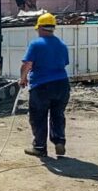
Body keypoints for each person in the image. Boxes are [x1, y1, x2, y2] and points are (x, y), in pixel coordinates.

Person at [19, 13, 70, 157]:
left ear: (40, 27)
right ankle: (59, 141)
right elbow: (64, 63)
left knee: (38, 116)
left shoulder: (36, 43)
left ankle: (40, 147)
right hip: (62, 84)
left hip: (42, 86)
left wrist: (22, 79)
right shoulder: (62, 44)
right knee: (57, 114)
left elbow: (27, 64)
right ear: (53, 28)